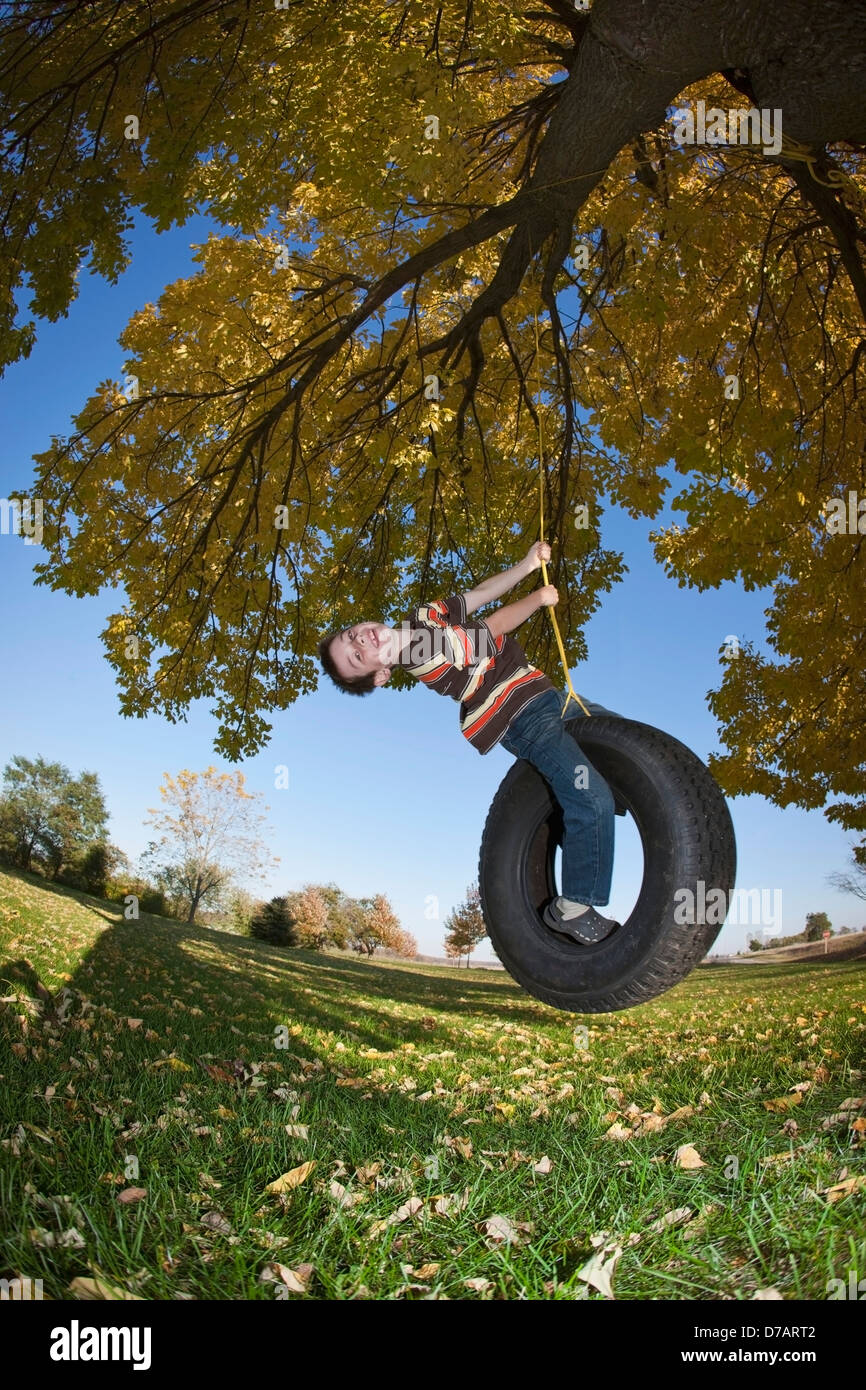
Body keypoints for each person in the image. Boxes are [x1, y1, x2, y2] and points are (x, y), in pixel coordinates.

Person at [317, 542, 622, 944]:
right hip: (521, 716)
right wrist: (537, 597)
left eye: (351, 634)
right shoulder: (419, 651)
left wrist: (527, 564)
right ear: (380, 676)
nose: (362, 641)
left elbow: (477, 596)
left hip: (547, 695)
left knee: (623, 741)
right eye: (357, 655)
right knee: (591, 796)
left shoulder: (421, 617)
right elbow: (491, 628)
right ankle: (573, 908)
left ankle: (594, 818)